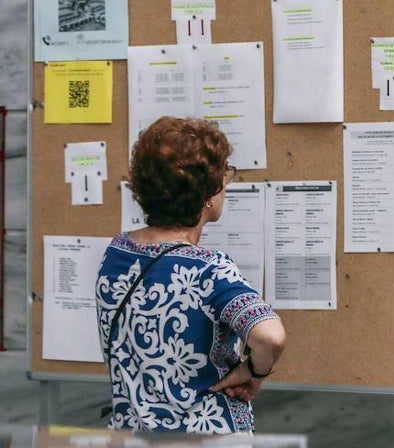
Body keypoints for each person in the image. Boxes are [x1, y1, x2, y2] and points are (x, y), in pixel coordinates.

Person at [95, 116, 286, 432]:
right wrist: (254, 371)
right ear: (208, 195)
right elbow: (270, 336)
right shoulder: (209, 270)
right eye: (225, 176)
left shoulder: (116, 252)